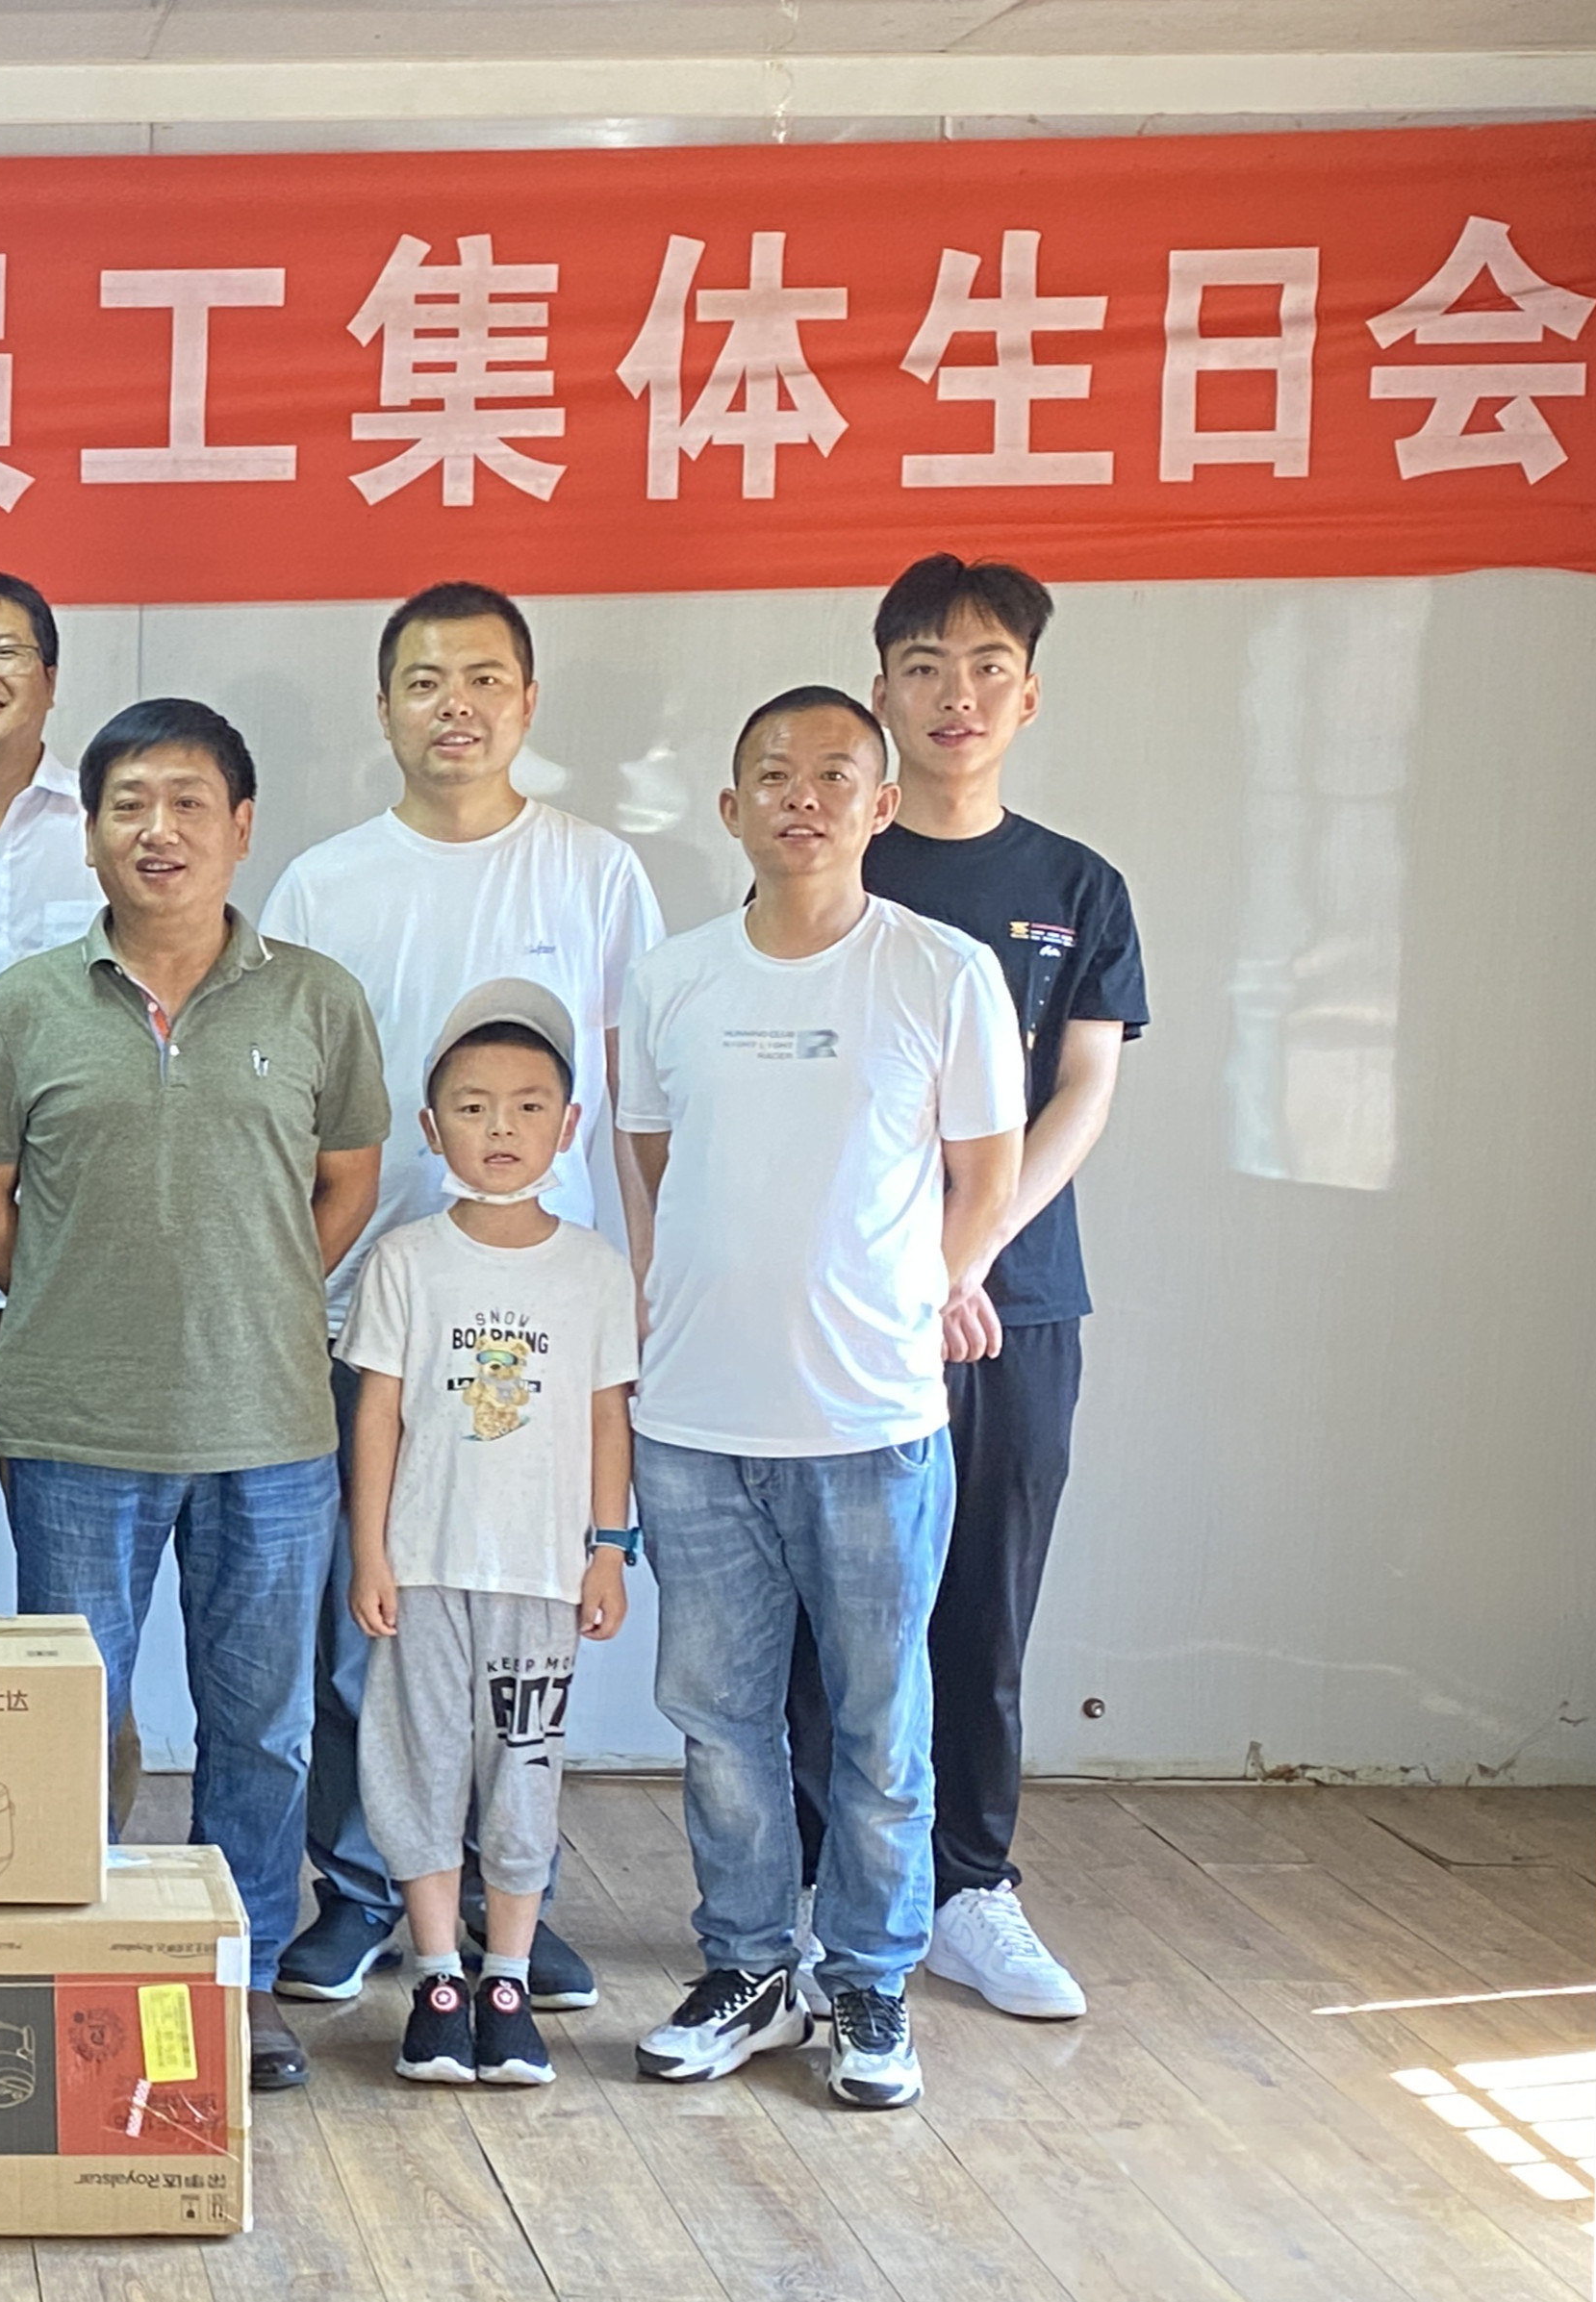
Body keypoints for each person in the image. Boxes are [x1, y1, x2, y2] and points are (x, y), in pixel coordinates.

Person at [0, 696, 390, 2095]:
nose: (159, 830)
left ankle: (235, 1979)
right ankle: (80, 1967)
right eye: (127, 803)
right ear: (87, 835)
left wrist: (252, 1293)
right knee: (75, 1726)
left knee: (258, 1726)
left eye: (189, 801)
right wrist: (88, 1301)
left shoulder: (314, 998)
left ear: (240, 827)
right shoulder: (25, 1003)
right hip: (74, 1430)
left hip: (270, 1431)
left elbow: (346, 1182)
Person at [260, 580, 664, 2012]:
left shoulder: (595, 873)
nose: (456, 706)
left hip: (545, 1321)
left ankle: (507, 1909)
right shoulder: (323, 882)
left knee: (521, 1632)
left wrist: (642, 1277)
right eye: (425, 681)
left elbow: (632, 1098)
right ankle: (361, 1893)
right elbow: (288, 1101)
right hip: (365, 1303)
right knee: (366, 1622)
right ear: (383, 707)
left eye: (485, 679)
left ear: (527, 702)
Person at [619, 686, 1022, 2113]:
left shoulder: (942, 972)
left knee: (877, 1725)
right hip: (694, 1423)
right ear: (728, 808)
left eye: (834, 774)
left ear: (880, 805)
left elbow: (986, 1173)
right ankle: (745, 1966)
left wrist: (928, 1290)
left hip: (871, 1423)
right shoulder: (669, 978)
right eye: (773, 775)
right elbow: (650, 1163)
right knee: (718, 1722)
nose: (803, 796)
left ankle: (866, 1976)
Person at [780, 555, 1146, 2025]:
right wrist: (900, 1271)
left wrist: (966, 1258)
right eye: (924, 665)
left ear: (1027, 696)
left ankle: (967, 1888)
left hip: (1014, 1300)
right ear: (880, 688)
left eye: (988, 665)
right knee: (829, 1607)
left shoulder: (1075, 888)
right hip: (839, 1302)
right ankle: (818, 1890)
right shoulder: (825, 869)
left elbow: (1082, 1094)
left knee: (982, 1601)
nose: (956, 693)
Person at [341, 980, 639, 2090]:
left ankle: (504, 1978)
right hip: (423, 1565)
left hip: (541, 1573)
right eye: (470, 1107)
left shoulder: (592, 1267)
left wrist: (607, 1547)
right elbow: (377, 1412)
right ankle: (434, 1977)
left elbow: (606, 1416)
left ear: (568, 1125)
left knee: (522, 1767)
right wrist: (369, 1550)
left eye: (526, 1105)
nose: (498, 1128)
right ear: (430, 1128)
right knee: (414, 1761)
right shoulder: (405, 1260)